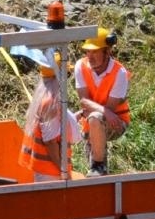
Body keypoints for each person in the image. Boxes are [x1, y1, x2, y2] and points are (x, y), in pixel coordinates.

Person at [18, 46, 81, 181]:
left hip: (49, 171)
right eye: (67, 74)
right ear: (59, 76)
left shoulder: (47, 99)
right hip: (50, 173)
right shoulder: (50, 103)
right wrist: (64, 171)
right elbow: (51, 143)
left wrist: (77, 116)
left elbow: (57, 128)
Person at [74, 32, 128, 176]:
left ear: (107, 51)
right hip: (92, 122)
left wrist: (105, 113)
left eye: (95, 52)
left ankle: (98, 166)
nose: (90, 56)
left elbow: (109, 110)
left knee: (97, 117)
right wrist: (103, 112)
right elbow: (83, 100)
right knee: (94, 174)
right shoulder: (80, 65)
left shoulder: (119, 72)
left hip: (116, 122)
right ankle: (98, 169)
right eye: (88, 51)